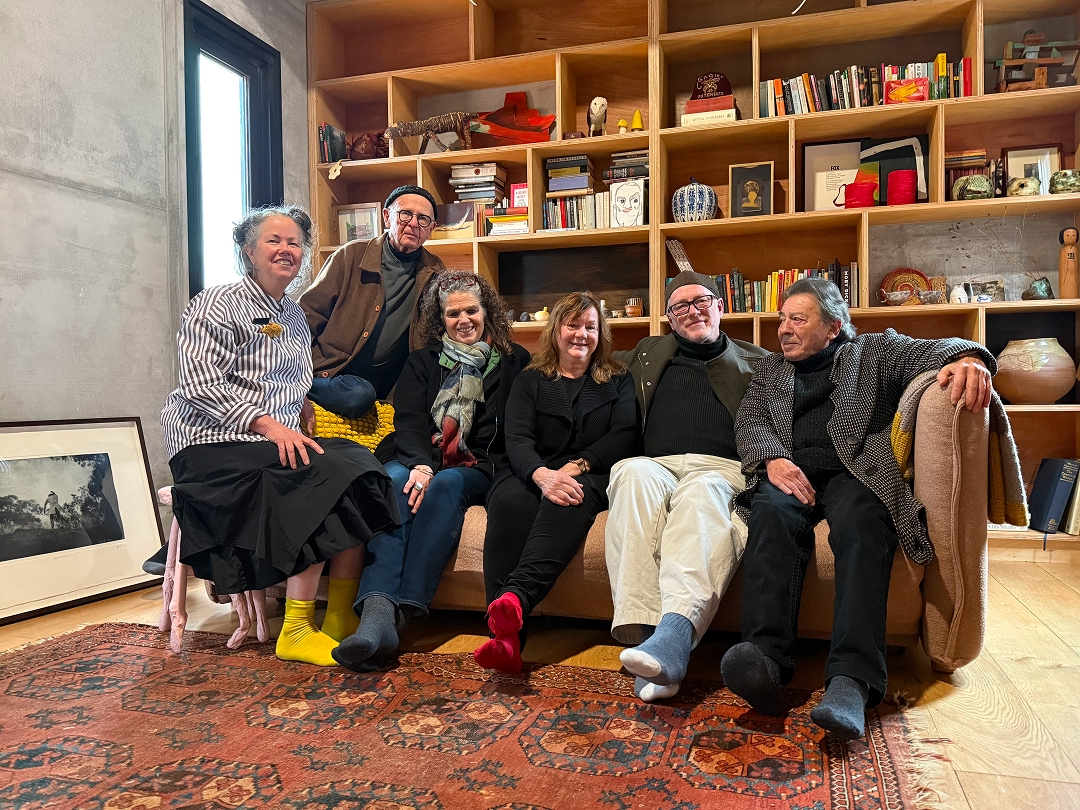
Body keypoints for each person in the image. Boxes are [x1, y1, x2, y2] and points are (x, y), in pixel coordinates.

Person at [721, 277, 994, 738]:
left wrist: (969, 359)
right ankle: (765, 662)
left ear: (833, 328)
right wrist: (771, 457)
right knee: (769, 513)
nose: (783, 329)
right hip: (794, 475)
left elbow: (942, 347)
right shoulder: (769, 371)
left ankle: (852, 679)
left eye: (797, 319)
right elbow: (749, 420)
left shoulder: (873, 353)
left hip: (857, 472)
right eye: (781, 319)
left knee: (864, 519)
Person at [159, 205, 400, 667]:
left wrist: (301, 403)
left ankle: (339, 620)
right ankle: (295, 628)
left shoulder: (291, 313)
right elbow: (199, 383)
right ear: (248, 250)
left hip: (271, 442)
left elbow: (290, 377)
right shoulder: (217, 302)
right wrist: (268, 423)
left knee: (361, 468)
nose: (287, 249)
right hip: (212, 444)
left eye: (294, 243)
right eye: (274, 240)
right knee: (320, 473)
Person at [332, 271, 530, 670]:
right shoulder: (421, 362)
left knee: (448, 482)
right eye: (453, 313)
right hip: (417, 456)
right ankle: (376, 614)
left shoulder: (514, 360)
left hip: (479, 464)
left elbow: (519, 424)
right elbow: (407, 421)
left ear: (486, 311)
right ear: (441, 320)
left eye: (471, 310)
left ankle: (402, 613)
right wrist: (421, 463)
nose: (464, 320)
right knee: (394, 482)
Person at [605, 271, 769, 703]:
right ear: (669, 319)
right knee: (628, 473)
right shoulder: (645, 352)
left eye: (701, 302)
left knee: (702, 496)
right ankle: (645, 637)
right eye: (680, 307)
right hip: (655, 464)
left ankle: (672, 640)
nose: (692, 311)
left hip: (720, 467)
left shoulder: (759, 360)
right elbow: (581, 354)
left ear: (720, 307)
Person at [474, 291, 638, 673]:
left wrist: (578, 466)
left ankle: (514, 601)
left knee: (566, 499)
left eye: (591, 327)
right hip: (529, 470)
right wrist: (542, 474)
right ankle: (506, 643)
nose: (581, 334)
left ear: (601, 334)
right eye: (573, 325)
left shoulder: (618, 378)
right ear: (556, 329)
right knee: (511, 504)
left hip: (591, 473)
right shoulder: (530, 379)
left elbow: (625, 434)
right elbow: (516, 438)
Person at [298, 185, 445, 418]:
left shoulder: (435, 272)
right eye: (405, 214)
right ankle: (302, 388)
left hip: (389, 382)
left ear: (431, 229)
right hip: (334, 371)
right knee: (359, 396)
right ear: (387, 217)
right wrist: (294, 373)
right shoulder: (351, 256)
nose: (414, 223)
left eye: (423, 219)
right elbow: (306, 317)